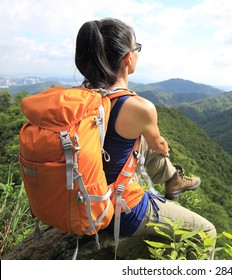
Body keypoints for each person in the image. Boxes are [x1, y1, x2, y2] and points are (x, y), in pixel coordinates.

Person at [74, 17, 216, 258]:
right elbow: (159, 144)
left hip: (79, 198)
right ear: (128, 58)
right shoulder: (138, 107)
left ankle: (172, 180)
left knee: (136, 137)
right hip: (119, 208)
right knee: (206, 233)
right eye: (136, 47)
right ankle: (172, 180)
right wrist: (160, 142)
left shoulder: (79, 98)